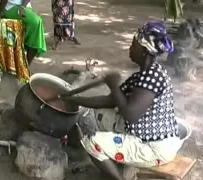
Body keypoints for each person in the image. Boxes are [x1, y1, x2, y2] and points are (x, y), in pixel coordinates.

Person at [59, 21, 183, 180]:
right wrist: (76, 100)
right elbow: (110, 101)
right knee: (99, 115)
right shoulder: (142, 75)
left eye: (133, 45)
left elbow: (130, 115)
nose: (130, 48)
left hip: (155, 147)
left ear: (144, 51)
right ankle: (112, 157)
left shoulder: (152, 78)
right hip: (143, 133)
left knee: (92, 142)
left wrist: (114, 86)